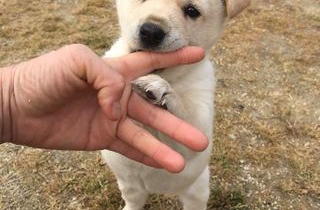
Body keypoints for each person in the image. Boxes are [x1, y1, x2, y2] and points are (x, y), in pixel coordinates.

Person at [0, 44, 208, 173]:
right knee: (128, 181)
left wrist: (10, 101)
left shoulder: (202, 77)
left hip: (183, 171)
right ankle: (131, 206)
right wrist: (9, 99)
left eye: (191, 10)